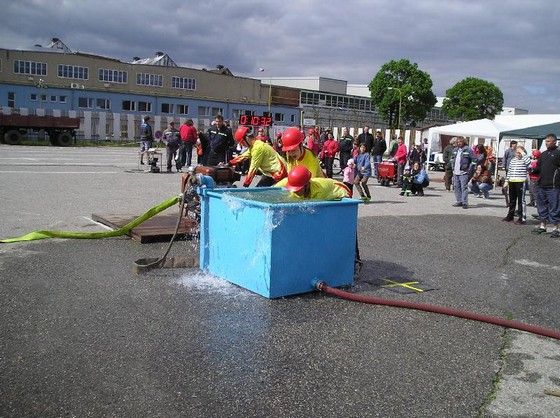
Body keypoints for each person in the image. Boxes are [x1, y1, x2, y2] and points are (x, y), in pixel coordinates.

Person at [531, 134, 560, 238]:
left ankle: (556, 228)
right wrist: (532, 169)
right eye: (545, 141)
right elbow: (538, 167)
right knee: (542, 207)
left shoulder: (558, 153)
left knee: (554, 207)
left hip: (553, 186)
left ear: (554, 142)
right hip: (541, 185)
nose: (546, 143)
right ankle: (543, 226)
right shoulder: (543, 154)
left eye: (548, 141)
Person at [276, 165, 350, 200]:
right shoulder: (295, 189)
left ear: (306, 186)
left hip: (342, 191)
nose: (294, 191)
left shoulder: (319, 193)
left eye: (297, 189)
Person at [502, 146, 531, 224]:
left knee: (521, 201)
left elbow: (529, 163)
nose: (518, 154)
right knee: (512, 200)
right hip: (512, 181)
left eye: (519, 152)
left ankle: (522, 217)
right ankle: (510, 215)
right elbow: (510, 172)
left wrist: (523, 153)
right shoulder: (512, 160)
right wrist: (506, 182)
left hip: (521, 181)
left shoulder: (524, 159)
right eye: (517, 152)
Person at [450, 136, 476, 208]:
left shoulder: (468, 150)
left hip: (463, 172)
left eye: (460, 142)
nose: (459, 143)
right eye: (457, 142)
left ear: (463, 142)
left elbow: (474, 160)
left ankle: (465, 202)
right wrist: (452, 165)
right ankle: (459, 201)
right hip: (455, 172)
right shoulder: (455, 150)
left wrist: (469, 168)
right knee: (456, 187)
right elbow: (452, 159)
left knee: (464, 187)